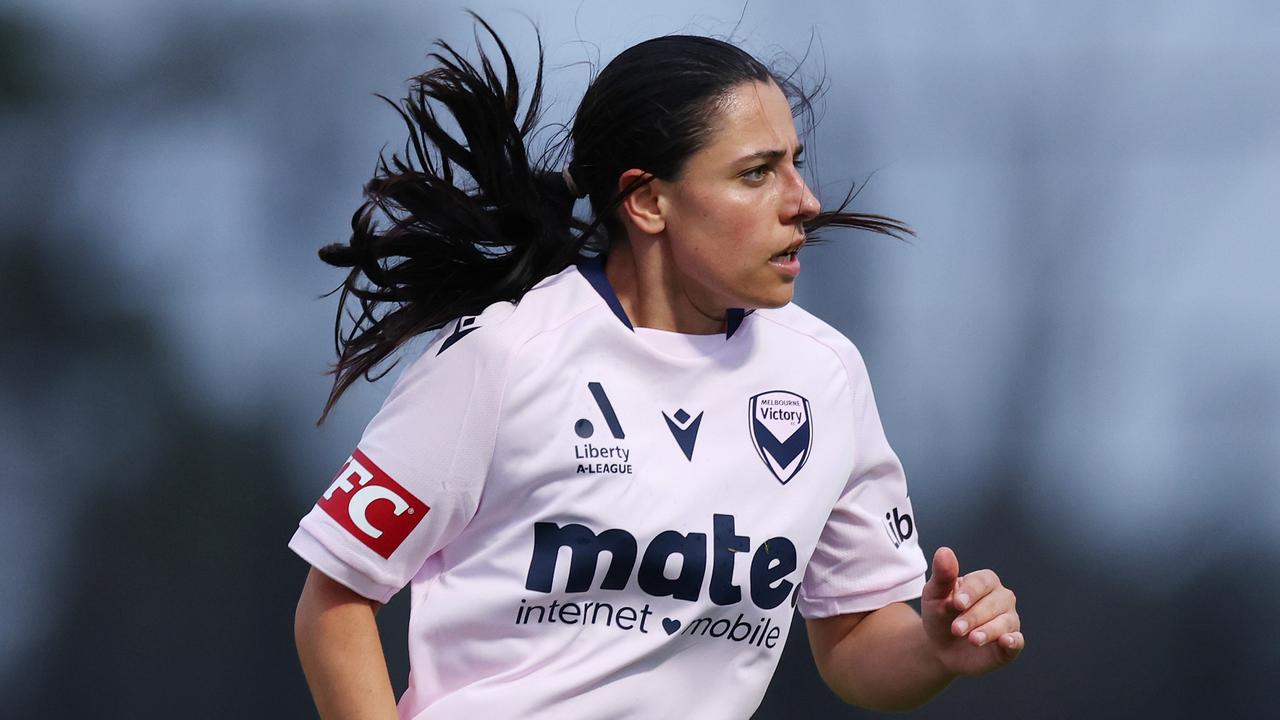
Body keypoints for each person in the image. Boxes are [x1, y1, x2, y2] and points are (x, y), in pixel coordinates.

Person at [290, 17, 1023, 720]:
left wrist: (933, 647)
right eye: (757, 173)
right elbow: (335, 601)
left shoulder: (823, 374)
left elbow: (855, 642)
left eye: (795, 164)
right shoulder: (504, 354)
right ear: (647, 201)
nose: (804, 201)